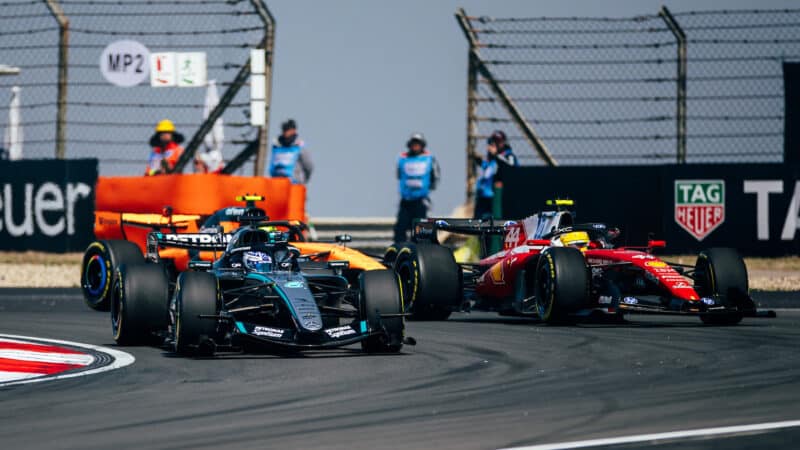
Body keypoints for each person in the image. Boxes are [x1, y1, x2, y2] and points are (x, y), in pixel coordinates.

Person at [393, 132, 440, 243]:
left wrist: (426, 190)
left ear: (422, 145)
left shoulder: (429, 159)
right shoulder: (402, 158)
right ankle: (400, 249)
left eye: (418, 143)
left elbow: (435, 177)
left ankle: (421, 249)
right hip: (406, 201)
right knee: (400, 228)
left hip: (421, 201)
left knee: (422, 231)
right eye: (413, 143)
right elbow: (398, 175)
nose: (415, 146)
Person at [474, 130, 518, 219]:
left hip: (497, 197)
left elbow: (511, 167)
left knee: (494, 220)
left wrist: (496, 155)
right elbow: (490, 170)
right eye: (492, 142)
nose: (493, 145)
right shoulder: (493, 159)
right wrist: (481, 162)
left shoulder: (509, 156)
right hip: (484, 197)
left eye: (497, 142)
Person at [269, 119, 313, 184]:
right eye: (285, 130)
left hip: (294, 184)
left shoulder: (299, 146)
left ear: (294, 131)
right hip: (277, 183)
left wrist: (303, 180)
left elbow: (308, 166)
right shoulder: (276, 145)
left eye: (288, 130)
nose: (286, 132)